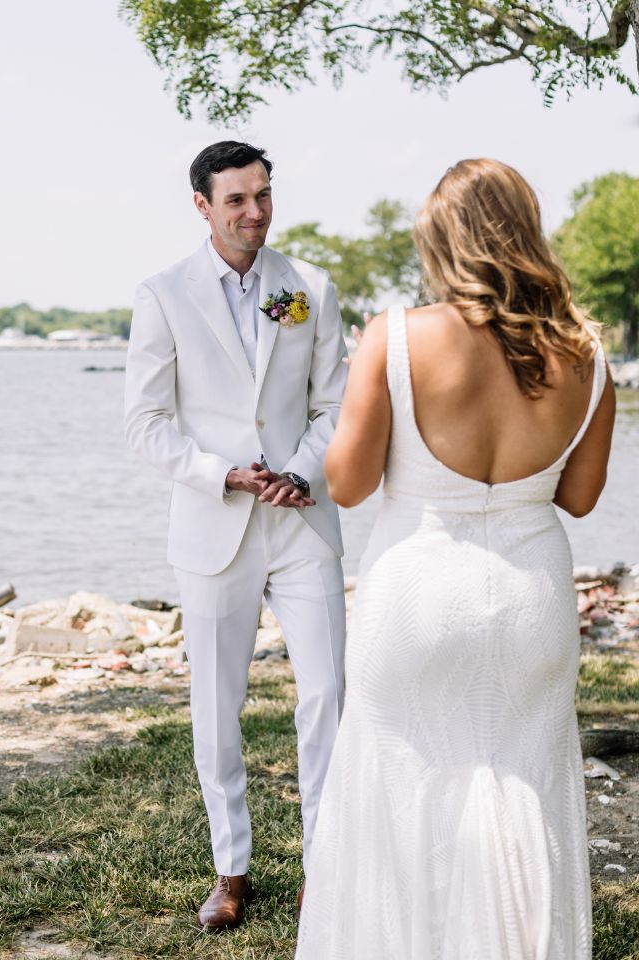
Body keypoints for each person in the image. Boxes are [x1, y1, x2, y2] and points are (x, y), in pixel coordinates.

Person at [296, 158, 615, 959]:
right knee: (523, 794)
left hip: (418, 591)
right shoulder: (587, 355)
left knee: (397, 791)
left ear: (444, 240)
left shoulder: (397, 336)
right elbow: (578, 499)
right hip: (530, 601)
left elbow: (348, 482)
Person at [124, 141, 347, 931]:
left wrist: (299, 469)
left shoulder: (310, 288)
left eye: (263, 195)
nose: (254, 212)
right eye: (236, 201)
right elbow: (145, 426)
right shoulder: (162, 295)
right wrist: (222, 472)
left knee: (327, 695)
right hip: (214, 524)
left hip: (301, 522)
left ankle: (325, 868)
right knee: (216, 707)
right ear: (202, 207)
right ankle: (232, 870)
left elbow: (335, 406)